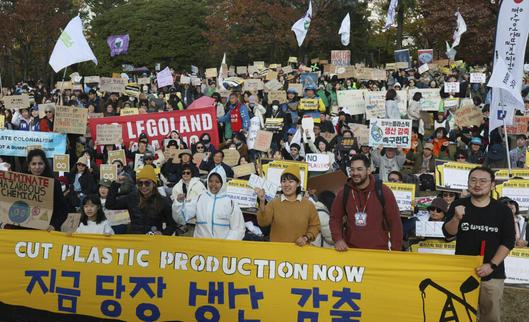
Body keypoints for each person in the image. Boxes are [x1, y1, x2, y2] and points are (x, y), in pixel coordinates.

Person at [443, 167, 515, 322]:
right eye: (473, 180)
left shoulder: (503, 211)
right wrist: (456, 218)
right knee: (460, 314)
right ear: (468, 183)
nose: (477, 184)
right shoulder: (458, 204)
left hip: (492, 274)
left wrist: (492, 265)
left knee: (490, 316)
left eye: (483, 181)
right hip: (462, 272)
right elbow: (448, 234)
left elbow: (508, 241)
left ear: (492, 185)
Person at [330, 154, 403, 251]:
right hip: (351, 250)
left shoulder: (383, 191)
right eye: (352, 169)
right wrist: (338, 239)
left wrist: (396, 249)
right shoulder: (344, 192)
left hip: (378, 251)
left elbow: (395, 222)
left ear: (368, 170)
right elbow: (335, 218)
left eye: (359, 169)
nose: (355, 173)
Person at [173, 167, 245, 240]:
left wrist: (225, 244)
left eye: (217, 182)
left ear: (222, 183)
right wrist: (179, 203)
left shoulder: (230, 202)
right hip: (200, 246)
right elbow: (181, 218)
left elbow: (238, 229)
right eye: (210, 181)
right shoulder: (200, 198)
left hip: (222, 248)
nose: (213, 184)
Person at [256, 165, 320, 245]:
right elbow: (263, 222)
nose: (286, 185)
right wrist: (262, 202)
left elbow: (315, 226)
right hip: (277, 253)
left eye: (291, 181)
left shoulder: (308, 205)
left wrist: (306, 237)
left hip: (300, 253)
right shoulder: (274, 203)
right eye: (284, 181)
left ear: (298, 184)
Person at [106, 165, 178, 235]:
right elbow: (110, 204)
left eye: (147, 183)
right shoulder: (131, 198)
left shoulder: (163, 201)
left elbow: (172, 225)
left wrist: (162, 233)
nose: (143, 186)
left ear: (154, 184)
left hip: (153, 241)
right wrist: (115, 184)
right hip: (135, 240)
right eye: (140, 183)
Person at [21, 149, 67, 231]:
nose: (37, 167)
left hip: (47, 230)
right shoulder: (21, 182)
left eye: (40, 163)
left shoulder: (54, 183)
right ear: (29, 165)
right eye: (34, 164)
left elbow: (62, 209)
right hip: (24, 230)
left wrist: (54, 225)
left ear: (45, 165)